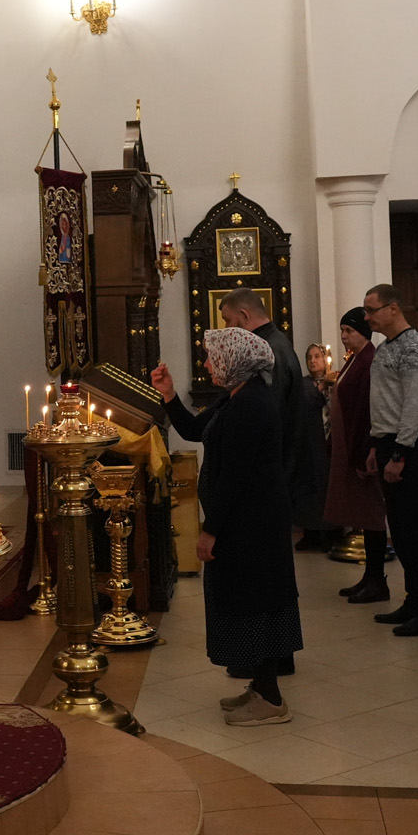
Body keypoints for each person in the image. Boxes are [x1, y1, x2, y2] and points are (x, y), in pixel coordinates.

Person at [151, 332, 301, 725]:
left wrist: (209, 530)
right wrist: (169, 394)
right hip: (245, 519)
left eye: (211, 357)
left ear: (234, 360)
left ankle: (270, 700)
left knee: (256, 602)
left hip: (254, 522)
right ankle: (261, 688)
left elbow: (236, 477)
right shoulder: (236, 395)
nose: (205, 364)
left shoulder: (251, 404)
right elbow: (194, 430)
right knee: (247, 600)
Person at [362, 284, 418, 637]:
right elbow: (385, 402)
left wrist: (399, 454)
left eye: (372, 310)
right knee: (401, 532)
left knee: (414, 530)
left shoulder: (415, 348)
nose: (367, 317)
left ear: (393, 308)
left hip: (408, 446)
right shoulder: (385, 347)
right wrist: (375, 447)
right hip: (388, 443)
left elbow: (416, 406)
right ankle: (414, 599)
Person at [219, 287, 315, 541]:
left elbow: (268, 416)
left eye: (228, 320)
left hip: (274, 472)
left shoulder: (268, 351)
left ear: (244, 315)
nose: (227, 328)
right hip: (280, 467)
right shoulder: (275, 341)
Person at [325, 308, 387, 601]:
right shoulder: (356, 359)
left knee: (370, 514)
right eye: (342, 331)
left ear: (363, 332)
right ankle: (369, 576)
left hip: (361, 448)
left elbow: (366, 410)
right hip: (348, 445)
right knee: (361, 513)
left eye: (348, 331)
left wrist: (364, 452)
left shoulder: (369, 361)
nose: (343, 336)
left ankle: (377, 580)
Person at [298, 342, 335, 552]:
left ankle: (331, 534)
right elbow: (304, 403)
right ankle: (310, 533)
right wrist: (320, 388)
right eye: (309, 357)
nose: (313, 361)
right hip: (310, 443)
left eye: (317, 356)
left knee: (329, 488)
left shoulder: (335, 380)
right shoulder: (303, 384)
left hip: (330, 443)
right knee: (310, 489)